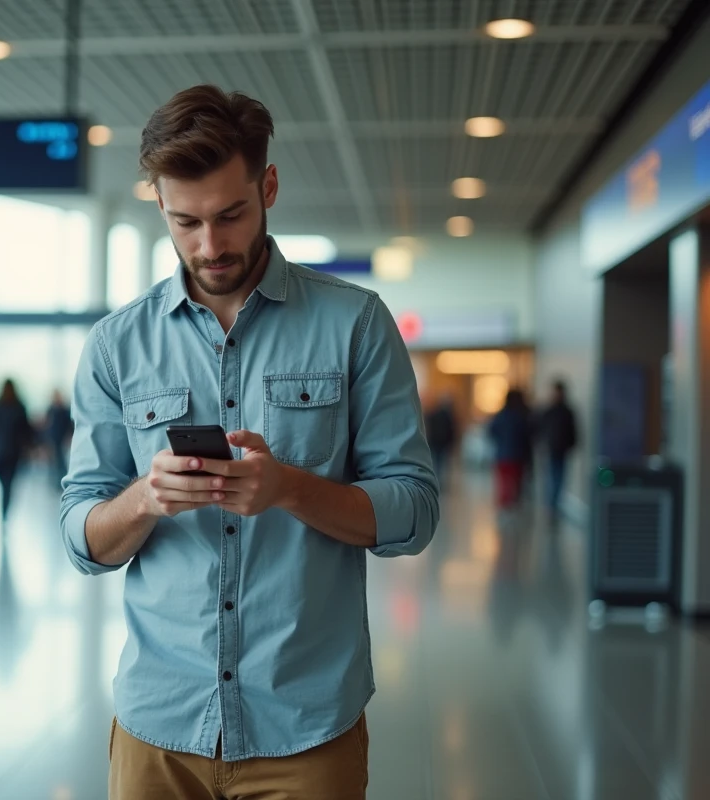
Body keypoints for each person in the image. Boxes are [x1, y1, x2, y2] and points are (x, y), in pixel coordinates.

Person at [60, 85, 439, 798]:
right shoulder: (116, 345)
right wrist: (144, 498)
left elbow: (413, 512)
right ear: (159, 205)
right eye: (185, 222)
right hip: (159, 728)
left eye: (230, 215)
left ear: (268, 186)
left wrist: (289, 488)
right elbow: (81, 537)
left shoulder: (355, 324)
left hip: (305, 728)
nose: (210, 245)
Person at [0, 380, 35, 520]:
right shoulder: (19, 407)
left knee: (3, 484)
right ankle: (5, 513)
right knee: (7, 484)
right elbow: (26, 431)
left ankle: (3, 512)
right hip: (13, 452)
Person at [536, 380, 579, 515]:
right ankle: (550, 505)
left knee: (559, 478)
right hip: (550, 449)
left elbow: (573, 430)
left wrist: (572, 445)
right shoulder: (548, 411)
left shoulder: (567, 411)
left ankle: (554, 504)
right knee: (550, 477)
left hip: (562, 449)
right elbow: (540, 429)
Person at [488, 388, 534, 509]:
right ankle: (513, 504)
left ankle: (505, 504)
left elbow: (492, 431)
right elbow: (529, 435)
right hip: (518, 455)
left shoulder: (501, 415)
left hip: (503, 455)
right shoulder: (523, 416)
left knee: (505, 483)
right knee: (516, 483)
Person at [424, 393, 457, 489]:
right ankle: (438, 480)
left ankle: (437, 480)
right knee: (440, 462)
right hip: (440, 442)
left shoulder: (433, 414)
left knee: (438, 462)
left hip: (437, 442)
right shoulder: (445, 415)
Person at [44, 390, 74, 484]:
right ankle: (54, 482)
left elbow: (69, 425)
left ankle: (62, 481)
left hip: (62, 439)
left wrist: (68, 437)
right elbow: (48, 425)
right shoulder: (51, 410)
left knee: (61, 462)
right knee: (52, 462)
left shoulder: (64, 410)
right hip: (53, 439)